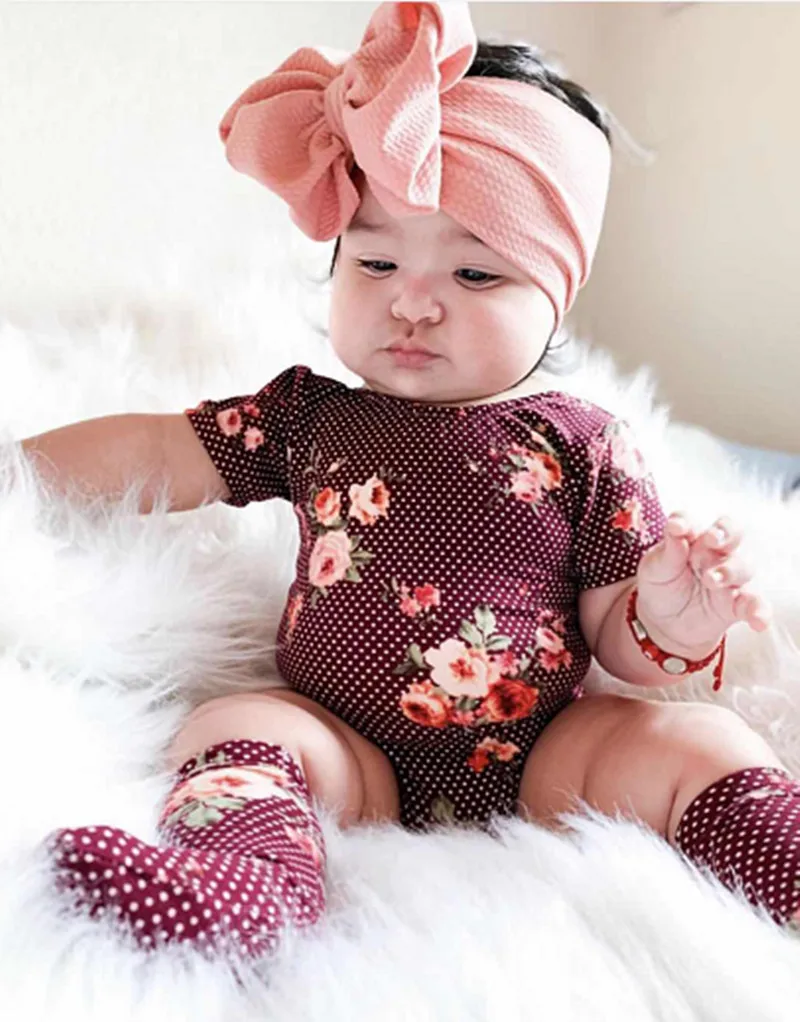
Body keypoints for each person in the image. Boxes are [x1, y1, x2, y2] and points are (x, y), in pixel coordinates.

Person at [21, 2, 797, 960]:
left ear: (555, 300)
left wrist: (671, 621)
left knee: (694, 743)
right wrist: (22, 470)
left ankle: (779, 853)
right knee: (238, 723)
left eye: (476, 276)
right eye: (378, 259)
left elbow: (618, 639)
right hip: (348, 748)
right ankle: (245, 881)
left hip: (547, 757)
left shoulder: (584, 443)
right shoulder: (307, 417)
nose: (414, 302)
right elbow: (158, 451)